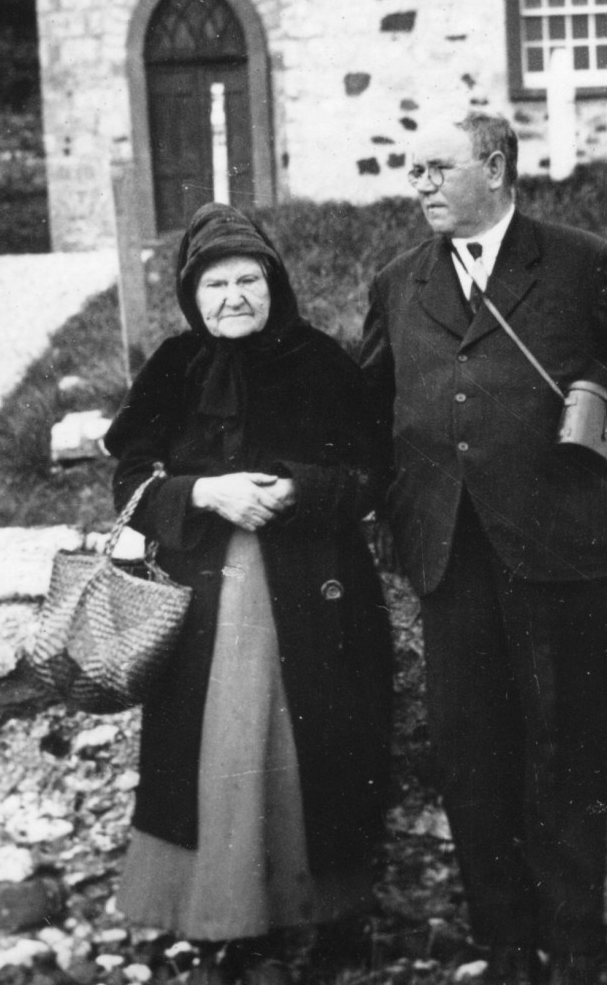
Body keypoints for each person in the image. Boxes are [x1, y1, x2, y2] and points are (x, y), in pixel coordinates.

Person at [360, 111, 607, 985]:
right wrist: (376, 505)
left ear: (497, 166)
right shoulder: (400, 281)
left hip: (558, 550)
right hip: (445, 554)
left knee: (567, 749)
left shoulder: (581, 261)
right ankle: (506, 949)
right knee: (469, 753)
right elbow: (366, 408)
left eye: (437, 167)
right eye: (413, 170)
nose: (421, 184)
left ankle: (578, 950)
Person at [103, 202, 392, 985]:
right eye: (216, 284)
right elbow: (131, 476)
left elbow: (373, 471)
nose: (233, 297)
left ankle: (330, 921)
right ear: (192, 298)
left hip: (314, 592)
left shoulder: (322, 361)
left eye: (248, 280)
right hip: (205, 594)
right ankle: (236, 927)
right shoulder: (172, 366)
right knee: (223, 747)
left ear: (275, 286)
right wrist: (205, 494)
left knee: (319, 743)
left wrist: (297, 489)